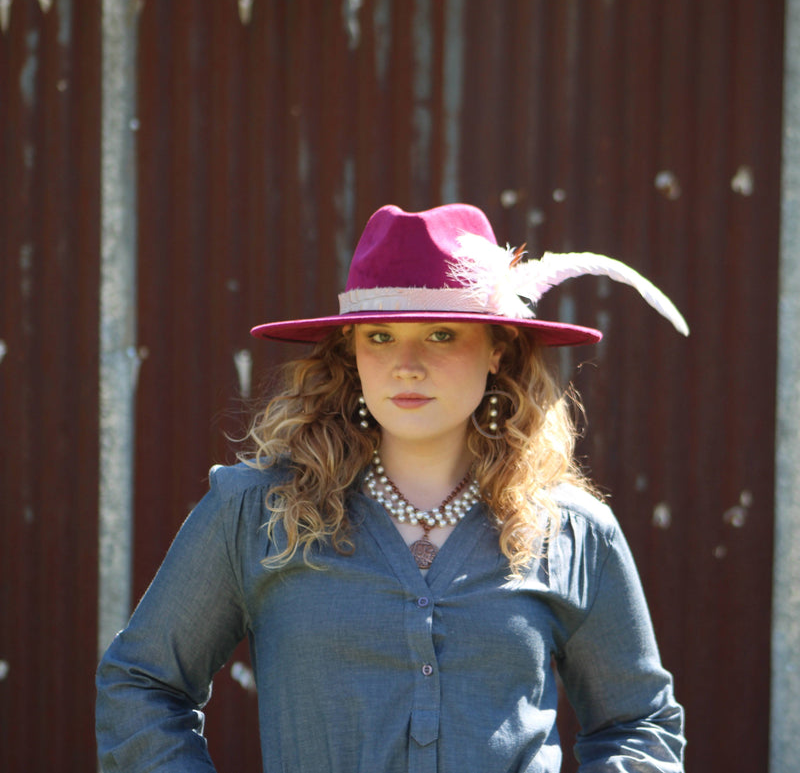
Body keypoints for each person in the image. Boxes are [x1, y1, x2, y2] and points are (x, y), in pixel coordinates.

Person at [96, 204, 687, 772]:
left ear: (498, 349)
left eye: (440, 335)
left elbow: (638, 725)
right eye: (379, 336)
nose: (406, 363)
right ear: (351, 351)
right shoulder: (257, 511)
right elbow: (142, 685)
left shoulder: (572, 531)